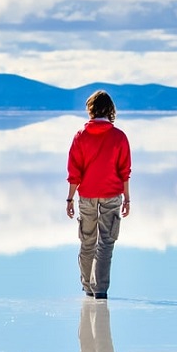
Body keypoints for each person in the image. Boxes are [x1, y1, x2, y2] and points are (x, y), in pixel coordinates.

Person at [66, 90, 132, 299]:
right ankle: (100, 290)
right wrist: (127, 198)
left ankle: (87, 287)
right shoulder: (119, 137)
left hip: (86, 196)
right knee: (106, 242)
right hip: (112, 195)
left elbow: (74, 171)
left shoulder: (80, 136)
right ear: (110, 110)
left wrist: (70, 199)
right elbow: (125, 171)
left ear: (91, 110)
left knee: (87, 241)